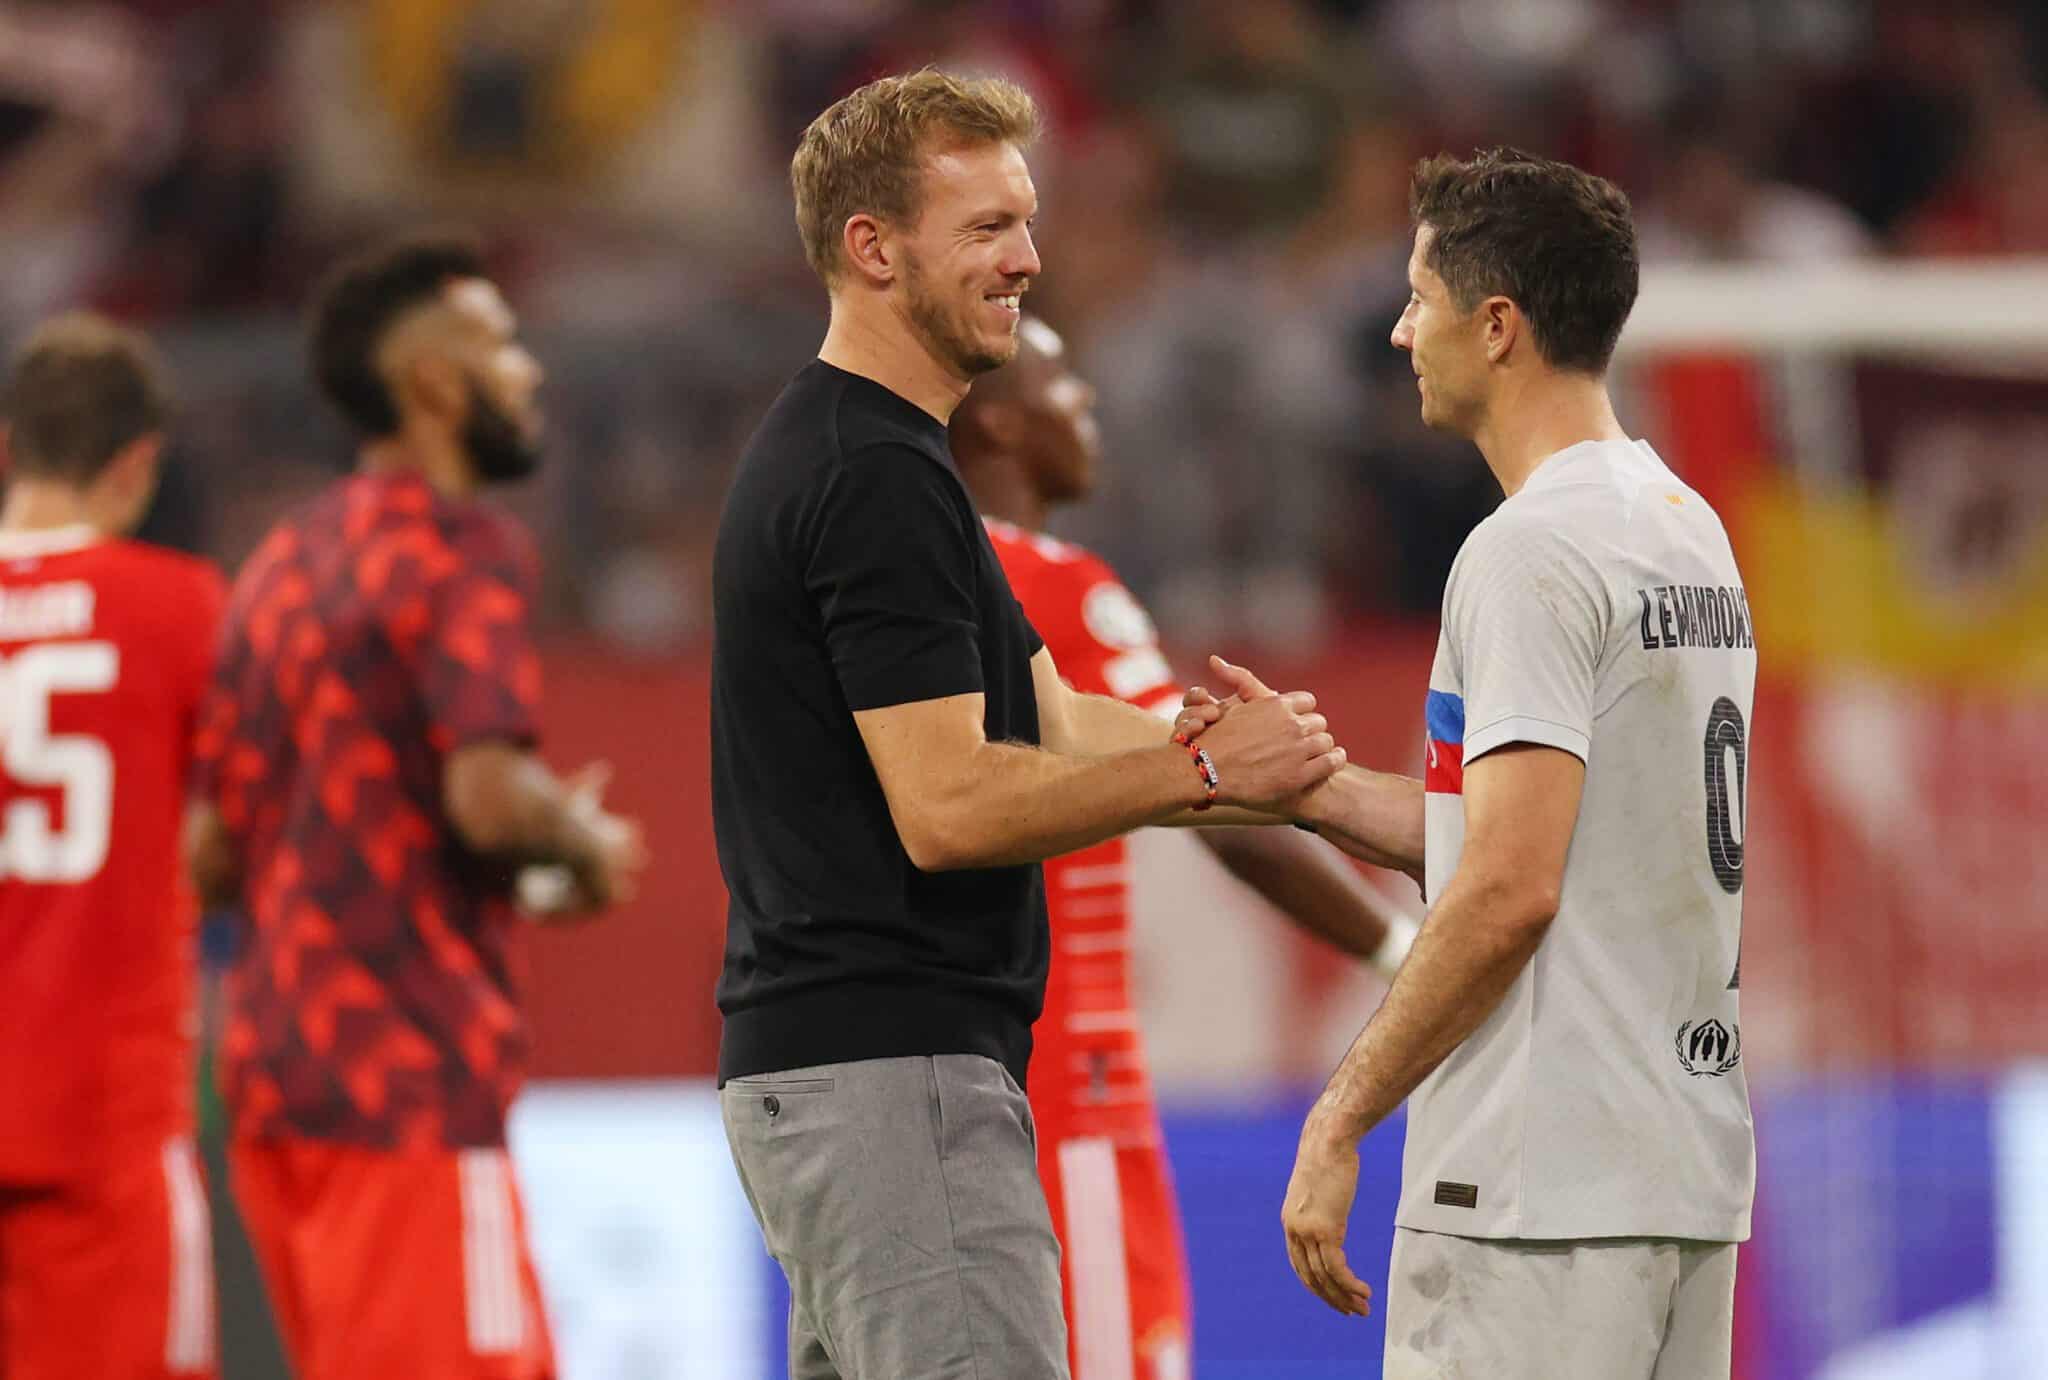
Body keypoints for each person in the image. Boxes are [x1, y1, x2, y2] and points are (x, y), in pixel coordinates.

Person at [711, 71, 1345, 1380]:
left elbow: (1052, 719)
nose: (1029, 260)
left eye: (1027, 221)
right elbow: (949, 811)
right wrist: (1209, 766)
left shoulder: (880, 460)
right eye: (988, 227)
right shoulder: (873, 478)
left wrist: (1284, 780)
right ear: (871, 248)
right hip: (896, 1085)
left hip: (848, 1082)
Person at [1269, 148, 1757, 1377]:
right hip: (1677, 1176)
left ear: (1496, 326)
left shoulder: (1526, 553)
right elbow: (1548, 837)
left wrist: (1341, 1117)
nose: (1397, 331)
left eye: (1419, 297)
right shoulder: (1682, 528)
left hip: (1536, 1190)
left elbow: (1508, 887)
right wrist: (1308, 789)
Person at [185, 233, 645, 1380]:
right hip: (407, 1085)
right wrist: (574, 834)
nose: (527, 371)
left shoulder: (274, 567)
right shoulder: (464, 547)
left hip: (272, 1091)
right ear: (435, 382)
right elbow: (486, 800)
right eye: (500, 343)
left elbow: (208, 856)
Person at [951, 313, 1418, 1380]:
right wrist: (1397, 950)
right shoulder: (1052, 582)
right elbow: (1216, 798)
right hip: (1068, 1073)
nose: (1089, 412)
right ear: (1001, 421)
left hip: (962, 1072)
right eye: (1065, 390)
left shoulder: (916, 579)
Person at [0, 313, 221, 1380]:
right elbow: (239, 834)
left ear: (8, 447)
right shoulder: (179, 611)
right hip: (102, 1124)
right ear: (139, 464)